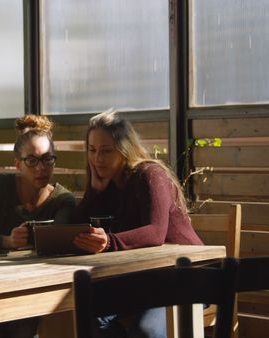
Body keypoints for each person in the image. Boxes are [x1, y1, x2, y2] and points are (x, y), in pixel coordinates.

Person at [71, 109, 203, 338]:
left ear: (125, 150)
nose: (97, 159)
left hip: (189, 276)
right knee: (85, 311)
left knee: (145, 331)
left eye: (106, 151)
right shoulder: (108, 185)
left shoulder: (150, 174)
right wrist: (93, 192)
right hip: (146, 279)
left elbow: (155, 233)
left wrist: (110, 242)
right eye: (92, 151)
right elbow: (76, 228)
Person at [0, 114, 76, 338]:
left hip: (33, 288)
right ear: (18, 164)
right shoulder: (0, 186)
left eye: (48, 159)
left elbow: (57, 245)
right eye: (32, 160)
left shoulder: (62, 199)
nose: (41, 168)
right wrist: (6, 241)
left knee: (21, 328)